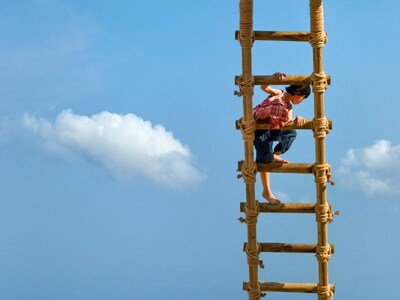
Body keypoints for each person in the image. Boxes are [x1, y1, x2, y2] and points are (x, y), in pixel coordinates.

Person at [253, 72, 311, 205]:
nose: (301, 101)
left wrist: (298, 118)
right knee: (264, 159)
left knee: (291, 133)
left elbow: (288, 122)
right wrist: (274, 78)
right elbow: (264, 87)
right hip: (260, 132)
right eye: (303, 98)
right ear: (299, 95)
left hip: (274, 129)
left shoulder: (289, 107)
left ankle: (275, 154)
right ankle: (267, 191)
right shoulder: (278, 93)